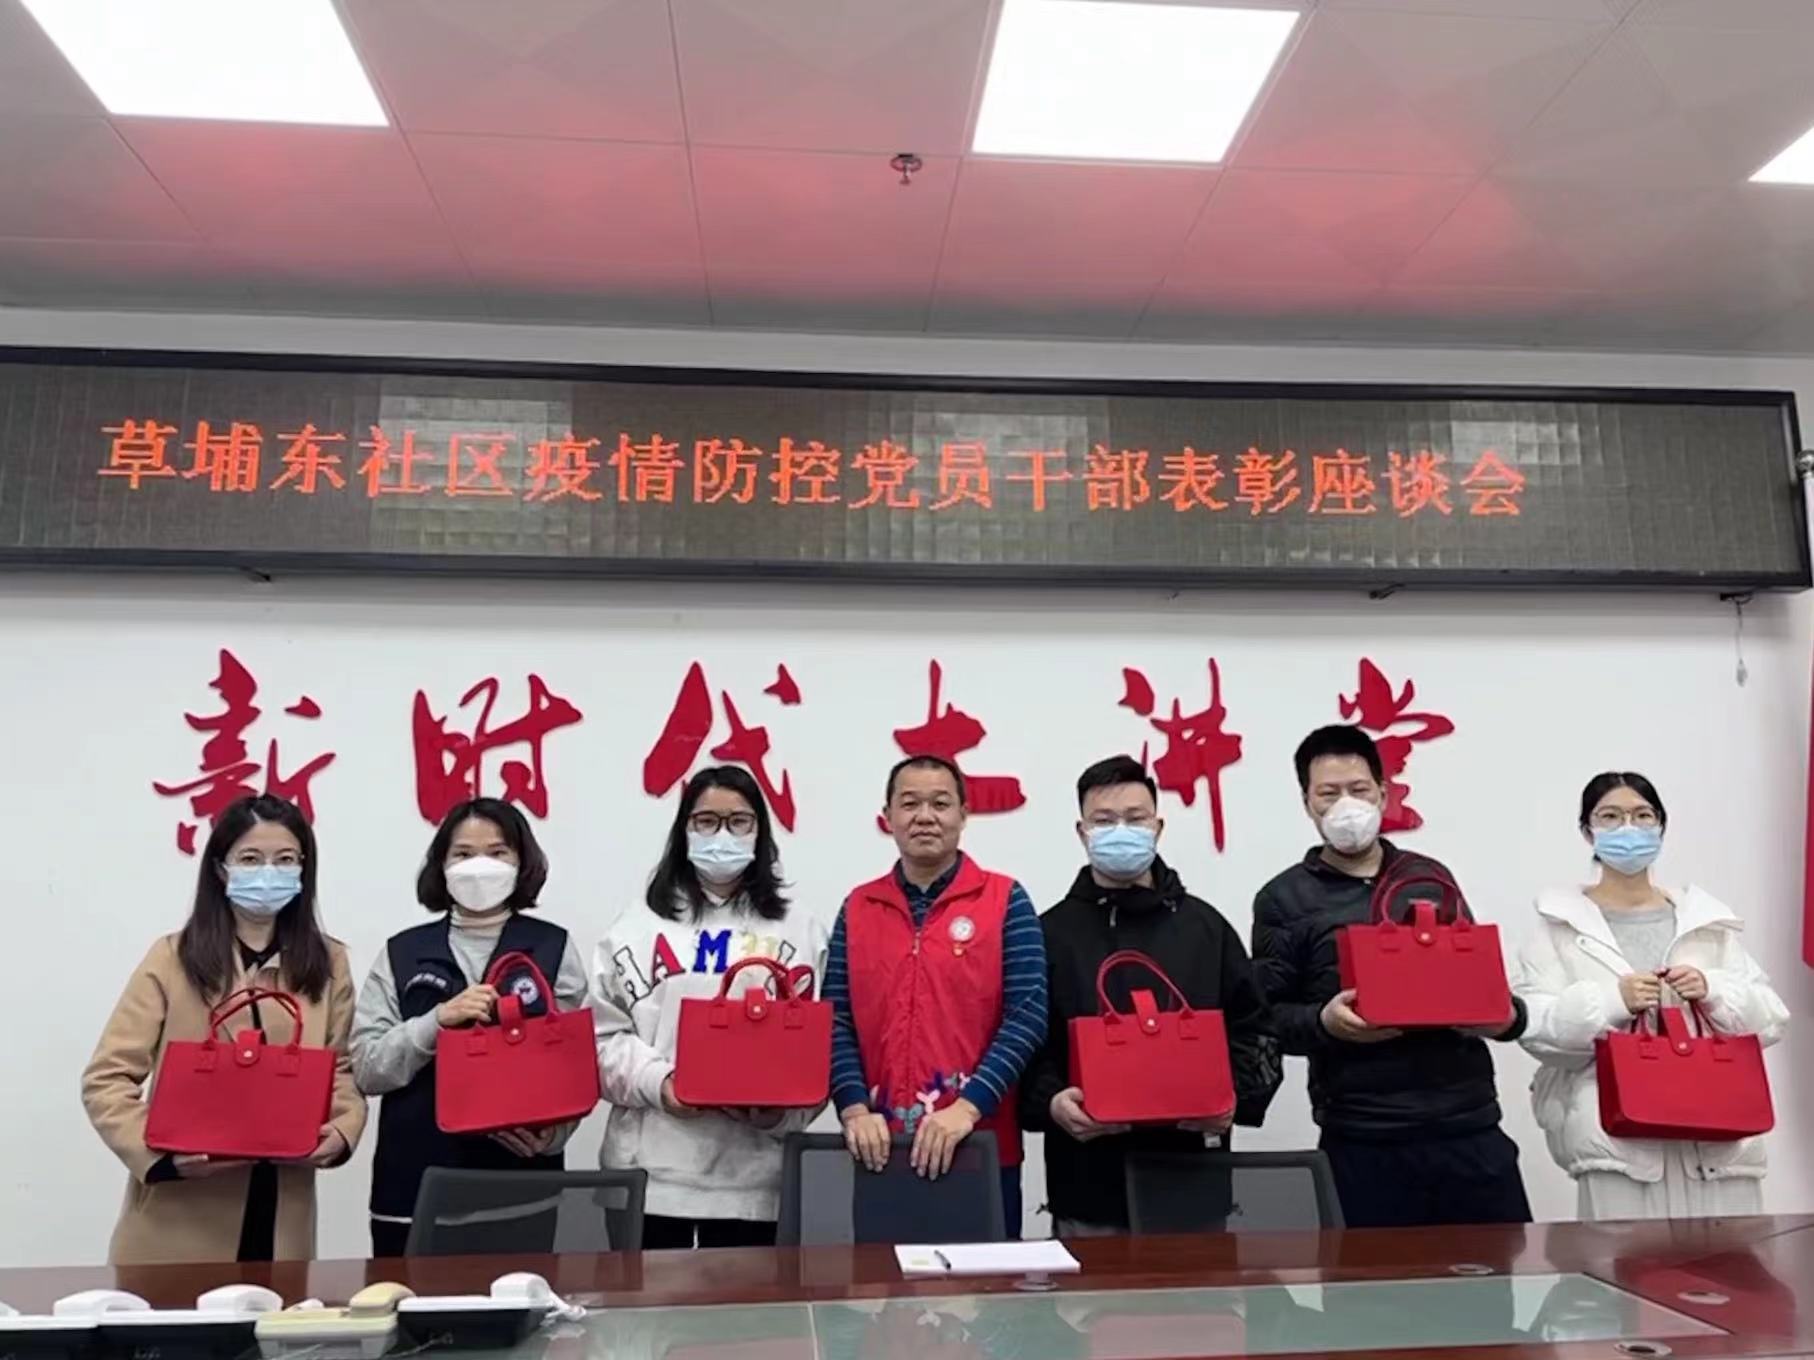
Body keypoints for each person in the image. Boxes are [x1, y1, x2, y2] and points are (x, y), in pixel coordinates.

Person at [1250, 725, 1531, 1229]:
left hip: (1468, 1127)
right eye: (1328, 793)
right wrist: (1324, 1022)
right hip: (1363, 1138)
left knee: (1494, 1278)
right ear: (1307, 803)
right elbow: (1267, 1018)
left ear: (1383, 792)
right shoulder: (1282, 899)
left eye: (1358, 789)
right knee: (1371, 1282)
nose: (1346, 805)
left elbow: (1483, 985)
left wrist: (1506, 1017)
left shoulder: (1430, 878)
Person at [82, 794, 366, 1264]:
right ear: (220, 868)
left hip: (280, 1206)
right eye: (250, 859)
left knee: (274, 1309)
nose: (268, 873)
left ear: (303, 870)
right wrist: (162, 1157)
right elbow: (106, 1078)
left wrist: (341, 1130)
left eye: (286, 860)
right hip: (181, 1213)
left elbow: (342, 1070)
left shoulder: (328, 962)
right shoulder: (171, 958)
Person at [1022, 756, 1280, 1237]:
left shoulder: (1205, 927)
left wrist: (1235, 1099)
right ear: (1082, 832)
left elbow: (1256, 1028)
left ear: (1158, 827)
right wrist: (1053, 1101)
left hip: (1193, 1177)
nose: (1121, 831)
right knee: (1092, 1286)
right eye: (1104, 820)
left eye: (1135, 818)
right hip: (1089, 1180)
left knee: (1200, 1288)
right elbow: (1026, 1041)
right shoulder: (1049, 933)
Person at [1513, 771, 1789, 1221]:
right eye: (1611, 816)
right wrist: (1611, 1002)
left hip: (1720, 1142)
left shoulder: (1706, 923)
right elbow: (1535, 1029)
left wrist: (1714, 990)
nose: (1629, 828)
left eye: (1643, 816)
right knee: (1625, 1263)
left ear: (1661, 826)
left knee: (1733, 1262)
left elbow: (1772, 1019)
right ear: (1587, 831)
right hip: (1618, 1146)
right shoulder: (1558, 928)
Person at [593, 766, 829, 1249]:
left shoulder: (800, 929)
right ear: (684, 830)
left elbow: (822, 1044)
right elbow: (600, 1038)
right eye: (706, 821)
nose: (722, 835)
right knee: (643, 1301)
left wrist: (776, 1113)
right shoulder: (635, 924)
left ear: (760, 832)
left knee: (745, 1301)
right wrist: (662, 1084)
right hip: (647, 1177)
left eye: (739, 821)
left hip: (753, 1181)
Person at [351, 797, 590, 1257]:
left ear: (522, 862)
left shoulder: (553, 947)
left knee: (519, 1302)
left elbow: (575, 1065)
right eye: (463, 854)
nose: (480, 867)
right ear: (441, 865)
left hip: (520, 1188)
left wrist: (554, 1135)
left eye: (497, 853)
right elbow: (366, 1068)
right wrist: (436, 1022)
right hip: (414, 1187)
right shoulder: (402, 952)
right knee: (409, 1302)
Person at [824, 755, 1047, 1236]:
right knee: (882, 1282)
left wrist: (967, 1108)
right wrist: (854, 1108)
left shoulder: (1006, 900)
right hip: (881, 1149)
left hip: (979, 1146)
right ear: (887, 816)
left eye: (940, 804)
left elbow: (1027, 1017)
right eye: (910, 804)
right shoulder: (858, 906)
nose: (924, 816)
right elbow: (835, 1019)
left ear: (964, 815)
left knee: (985, 1284)